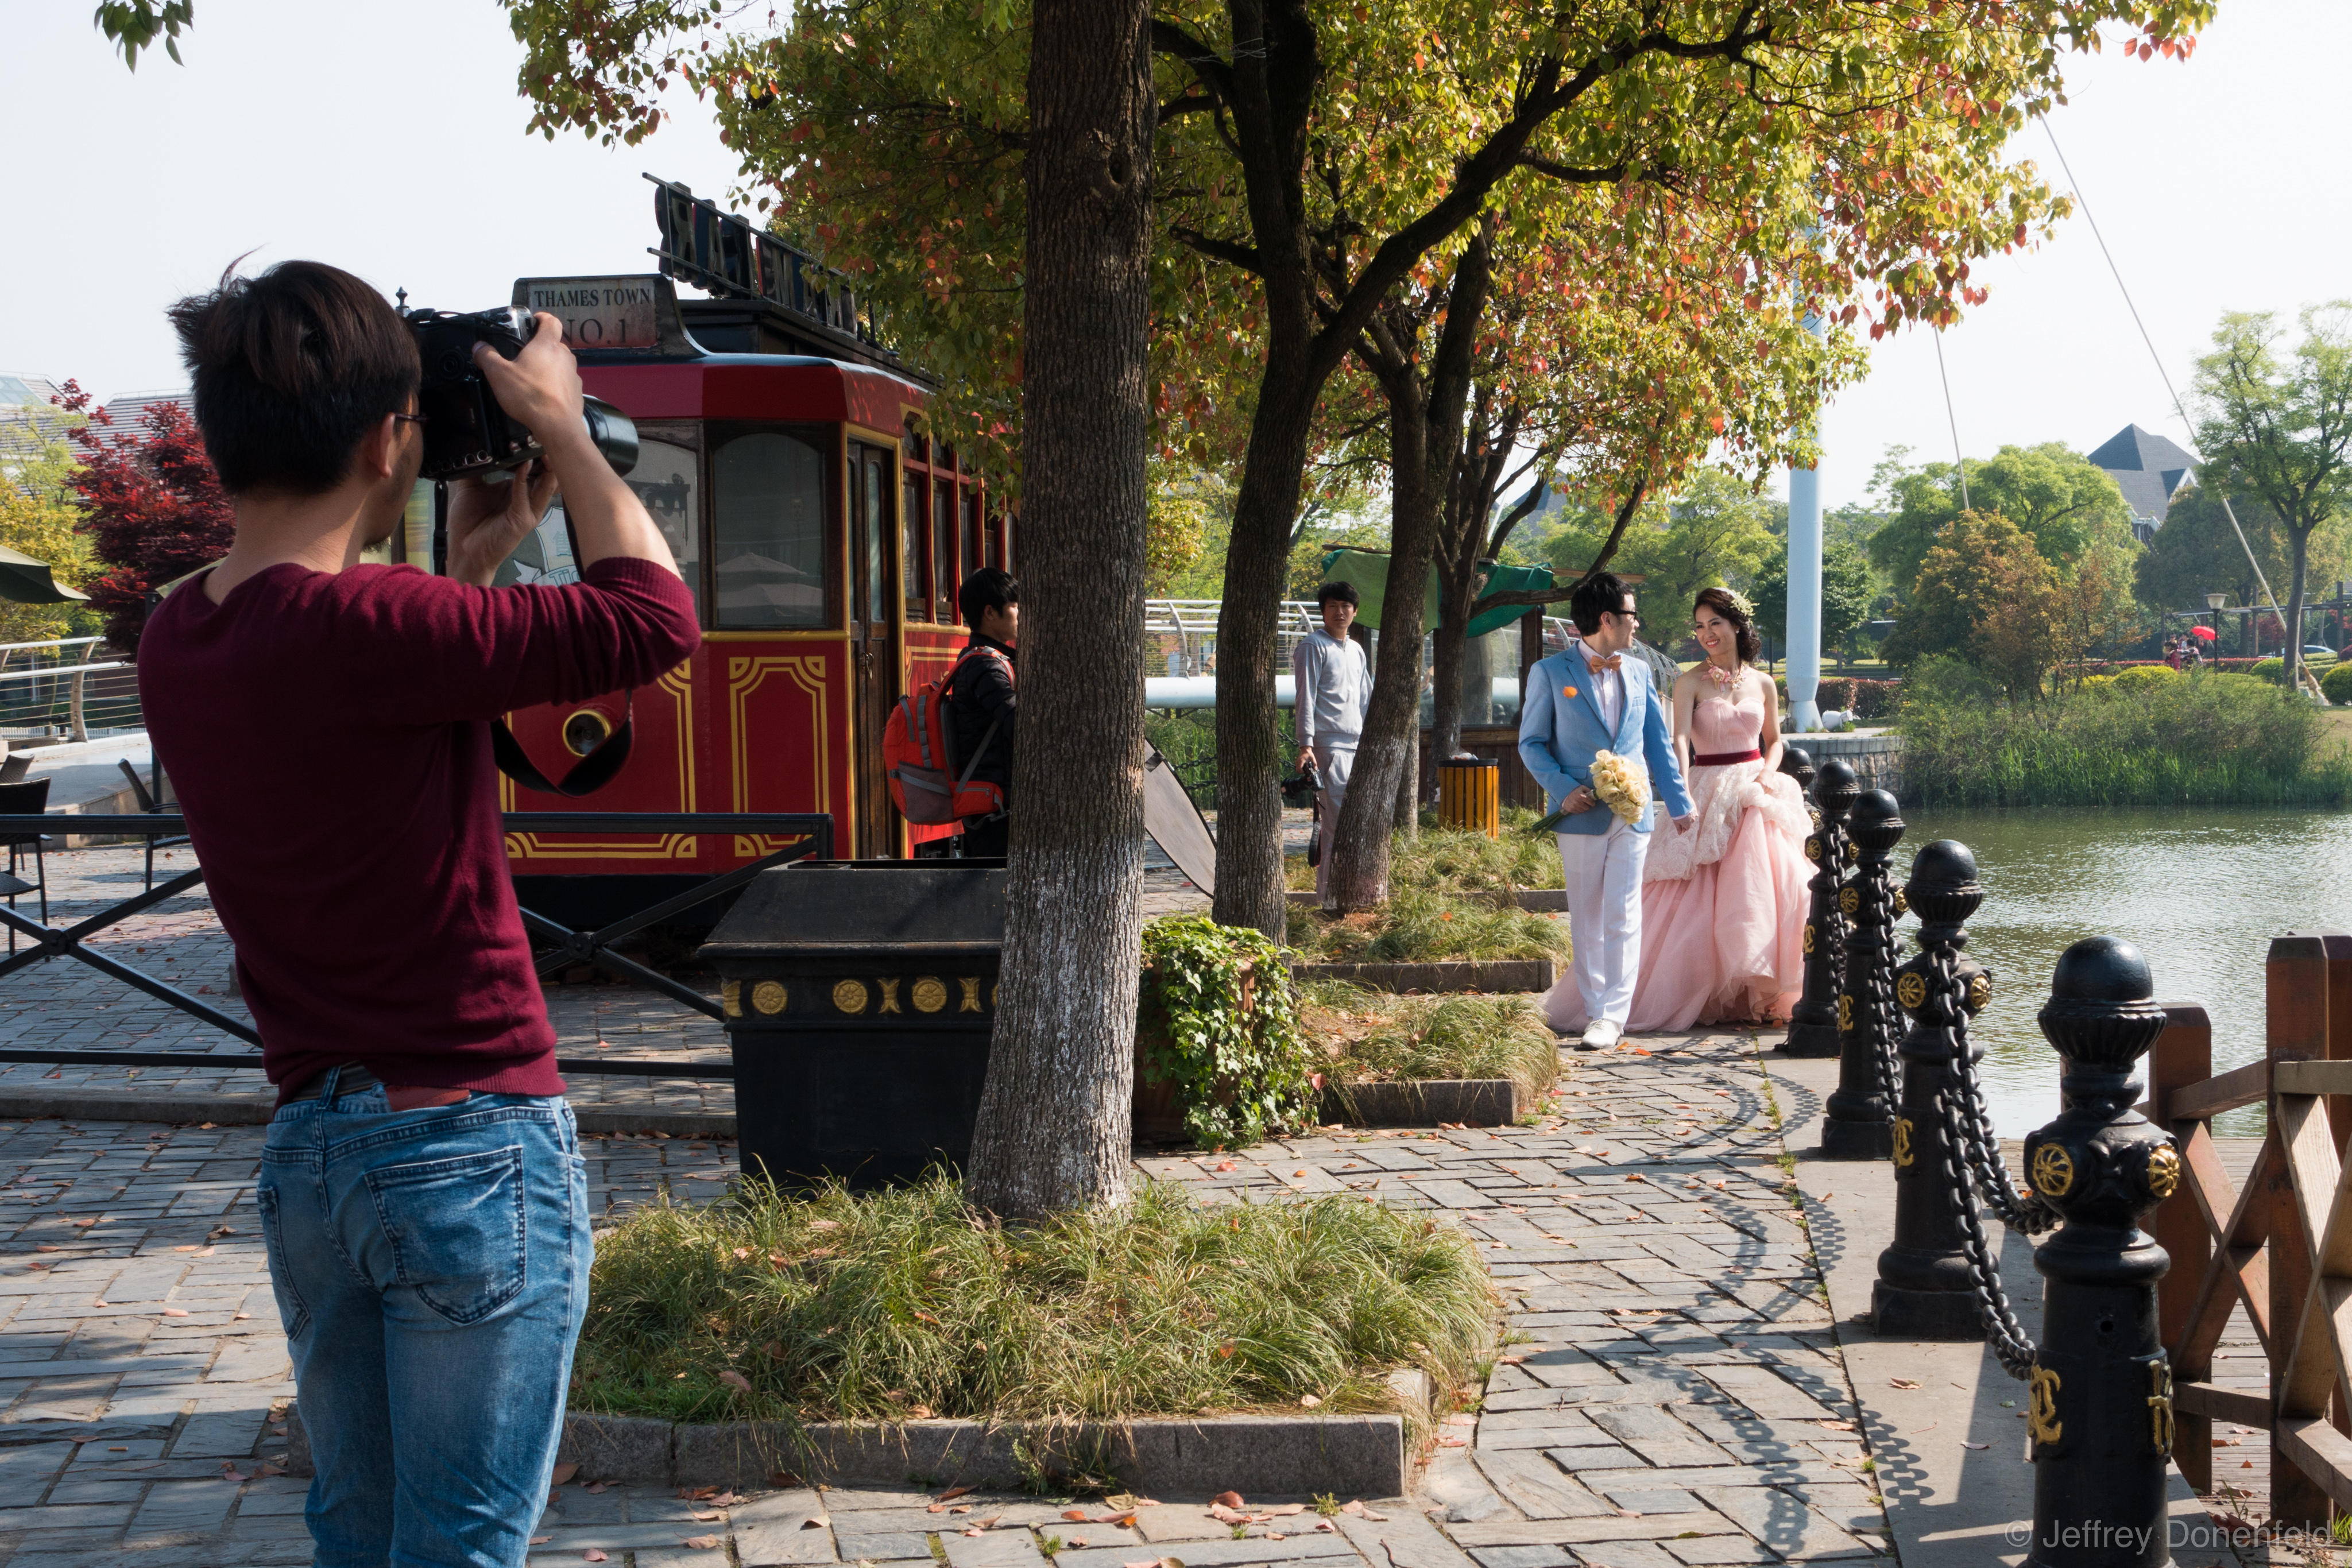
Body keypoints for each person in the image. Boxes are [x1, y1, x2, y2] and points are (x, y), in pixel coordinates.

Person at [138, 261, 699, 1566]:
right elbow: (652, 616)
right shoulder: (380, 627)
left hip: (314, 1162)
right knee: (460, 1548)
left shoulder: (179, 637)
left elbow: (373, 704)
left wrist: (470, 564)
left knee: (367, 1536)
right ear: (392, 436)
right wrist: (559, 423)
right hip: (467, 1144)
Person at [1620, 587, 1814, 1031]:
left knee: (1764, 883)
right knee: (1694, 890)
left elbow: (1776, 741)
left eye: (1715, 624)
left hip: (1753, 783)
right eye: (1700, 625)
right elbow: (1681, 740)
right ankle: (1701, 991)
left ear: (1737, 626)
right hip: (1707, 784)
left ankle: (1763, 990)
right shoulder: (1689, 681)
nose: (1707, 634)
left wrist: (1768, 772)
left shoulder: (1763, 682)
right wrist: (1682, 789)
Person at [1517, 572, 1695, 1050]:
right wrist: (1563, 790)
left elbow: (1657, 743)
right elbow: (1531, 744)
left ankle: (1612, 1016)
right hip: (1579, 813)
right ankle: (1596, 1009)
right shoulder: (1550, 673)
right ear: (1607, 619)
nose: (1638, 624)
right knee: (1588, 914)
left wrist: (1679, 803)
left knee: (1625, 912)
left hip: (1635, 814)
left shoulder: (1639, 671)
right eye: (1633, 615)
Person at [1293, 580, 1371, 901]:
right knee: (1337, 826)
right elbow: (1305, 698)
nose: (1339, 612)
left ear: (1355, 612)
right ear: (1323, 611)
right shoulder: (1313, 646)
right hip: (1328, 747)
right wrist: (1306, 745)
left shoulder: (1356, 650)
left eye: (1346, 606)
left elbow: (1366, 699)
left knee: (1352, 825)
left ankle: (1347, 896)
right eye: (1332, 606)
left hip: (1356, 747)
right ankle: (1331, 901)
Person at [949, 566, 1019, 857]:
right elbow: (1016, 723)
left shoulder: (988, 660)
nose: (1020, 614)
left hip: (996, 804)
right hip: (994, 812)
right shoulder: (985, 667)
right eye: (1014, 606)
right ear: (990, 613)